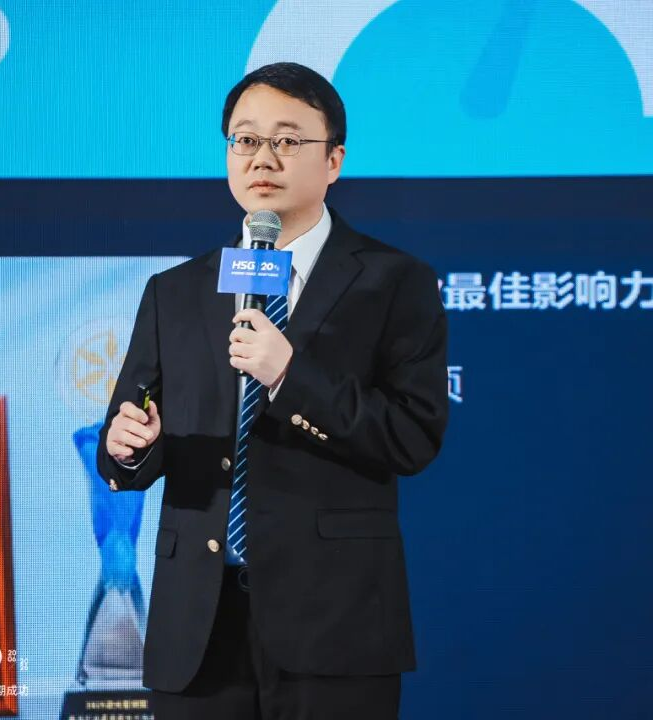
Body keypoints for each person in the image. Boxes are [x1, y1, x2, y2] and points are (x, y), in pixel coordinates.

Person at [97, 61, 449, 720]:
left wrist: (290, 375)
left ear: (334, 160)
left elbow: (411, 437)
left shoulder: (394, 282)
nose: (263, 157)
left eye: (287, 140)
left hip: (334, 620)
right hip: (197, 624)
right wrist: (129, 447)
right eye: (246, 139)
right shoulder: (176, 291)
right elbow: (128, 446)